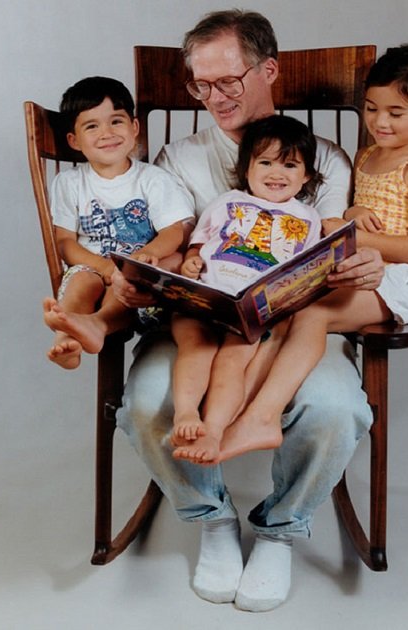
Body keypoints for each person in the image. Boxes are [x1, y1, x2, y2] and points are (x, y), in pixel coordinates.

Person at [108, 10, 387, 612]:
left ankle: (281, 529)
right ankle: (210, 517)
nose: (214, 97)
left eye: (228, 81)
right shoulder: (178, 158)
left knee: (335, 409)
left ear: (269, 70)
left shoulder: (328, 162)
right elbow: (172, 243)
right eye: (200, 85)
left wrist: (360, 265)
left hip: (291, 326)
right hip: (199, 326)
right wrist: (150, 278)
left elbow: (336, 241)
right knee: (150, 404)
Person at [225, 45, 408, 460]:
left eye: (395, 113)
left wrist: (348, 233)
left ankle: (263, 416)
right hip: (357, 268)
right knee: (286, 305)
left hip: (399, 279)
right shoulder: (368, 155)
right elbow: (360, 213)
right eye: (370, 109)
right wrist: (353, 212)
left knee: (311, 312)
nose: (380, 122)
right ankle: (239, 410)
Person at [169, 115, 325, 466]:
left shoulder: (307, 218)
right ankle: (186, 415)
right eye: (265, 162)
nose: (276, 173)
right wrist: (191, 261)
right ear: (247, 168)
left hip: (252, 312)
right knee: (196, 347)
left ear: (307, 175)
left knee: (231, 363)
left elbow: (304, 272)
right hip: (205, 298)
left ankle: (213, 430)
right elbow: (199, 243)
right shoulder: (228, 202)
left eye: (289, 165)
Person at [41, 76, 193, 369]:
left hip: (138, 277)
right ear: (74, 140)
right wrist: (106, 268)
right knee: (82, 280)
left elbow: (174, 232)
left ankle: (97, 324)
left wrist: (135, 261)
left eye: (116, 121)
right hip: (92, 267)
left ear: (134, 128)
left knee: (124, 284)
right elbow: (65, 242)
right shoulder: (69, 182)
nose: (106, 133)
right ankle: (66, 341)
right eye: (92, 126)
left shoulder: (152, 178)